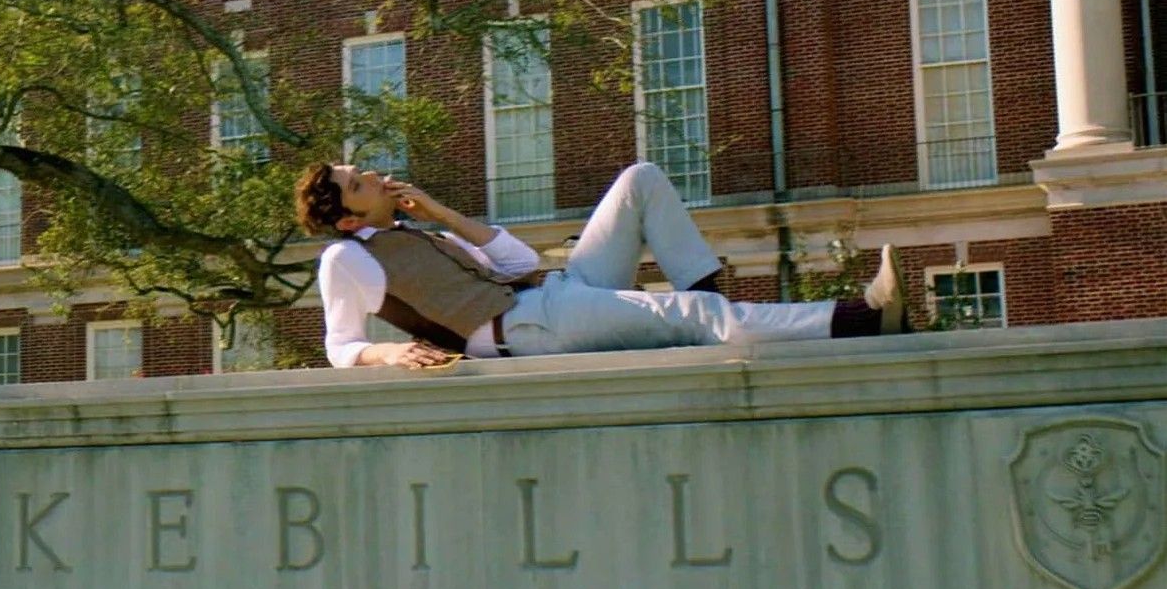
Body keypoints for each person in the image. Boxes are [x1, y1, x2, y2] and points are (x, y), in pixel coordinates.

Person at [292, 161, 907, 368]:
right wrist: (387, 353)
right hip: (530, 328)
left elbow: (521, 261)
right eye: (356, 183)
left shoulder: (414, 230)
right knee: (693, 313)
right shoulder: (347, 257)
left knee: (640, 181)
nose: (369, 174)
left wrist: (438, 210)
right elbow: (340, 344)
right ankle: (863, 318)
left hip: (552, 294)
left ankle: (707, 320)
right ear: (348, 218)